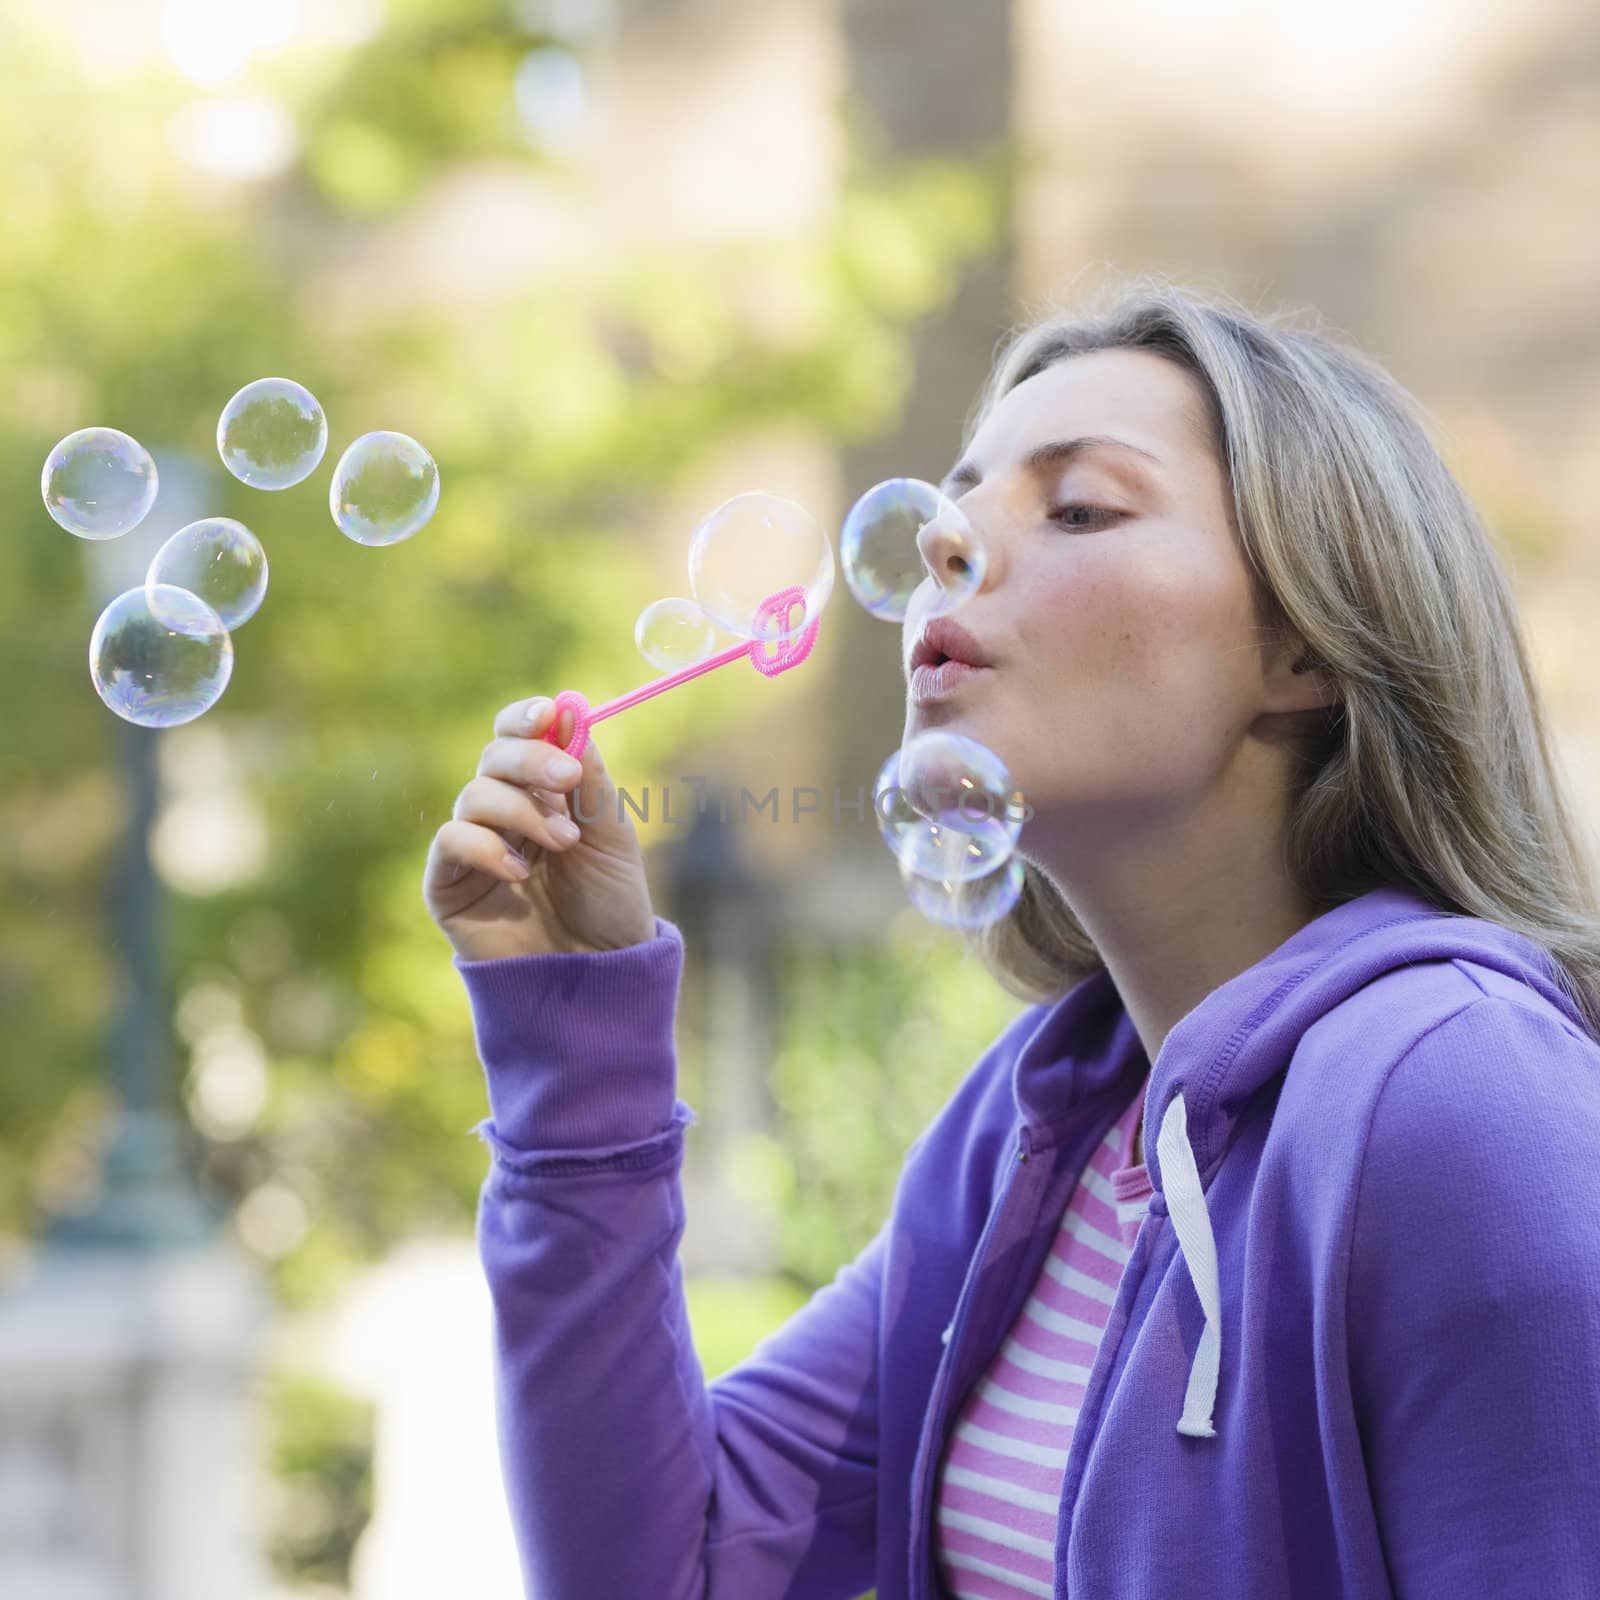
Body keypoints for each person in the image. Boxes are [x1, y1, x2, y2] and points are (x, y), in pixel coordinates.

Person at [422, 274, 1600, 1599]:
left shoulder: (1467, 1103)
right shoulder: (1039, 1134)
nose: (944, 547)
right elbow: (662, 1569)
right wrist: (574, 1041)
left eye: (1079, 505)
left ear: (1303, 648)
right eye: (954, 506)